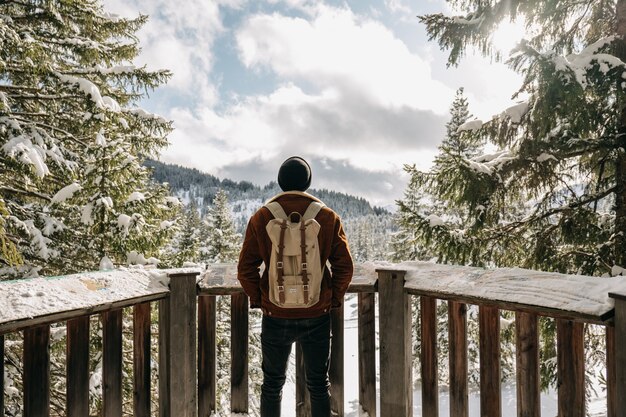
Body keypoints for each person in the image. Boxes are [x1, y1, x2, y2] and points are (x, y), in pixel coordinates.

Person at [237, 156, 354, 417]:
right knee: (318, 385)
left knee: (271, 385)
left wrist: (262, 300)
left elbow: (245, 269)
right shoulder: (327, 217)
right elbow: (344, 267)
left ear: (280, 183)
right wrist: (331, 299)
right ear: (308, 182)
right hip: (317, 313)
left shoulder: (262, 217)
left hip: (275, 315)